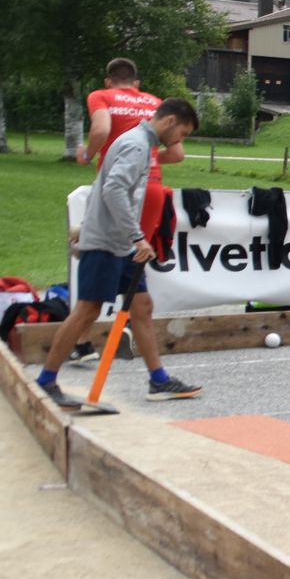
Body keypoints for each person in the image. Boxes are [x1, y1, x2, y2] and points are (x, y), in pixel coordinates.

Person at [35, 98, 203, 408]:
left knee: (142, 306)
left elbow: (108, 185)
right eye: (183, 133)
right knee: (87, 310)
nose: (180, 140)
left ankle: (159, 380)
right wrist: (137, 237)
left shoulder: (140, 143)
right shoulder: (136, 145)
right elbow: (113, 189)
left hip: (121, 244)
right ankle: (46, 382)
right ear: (169, 122)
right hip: (107, 242)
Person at [75, 57, 186, 365]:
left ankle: (82, 344)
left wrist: (87, 154)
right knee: (134, 265)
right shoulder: (156, 103)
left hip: (119, 189)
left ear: (108, 81)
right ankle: (126, 327)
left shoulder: (102, 95)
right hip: (152, 190)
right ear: (136, 83)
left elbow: (101, 130)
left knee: (104, 259)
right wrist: (148, 159)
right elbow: (177, 153)